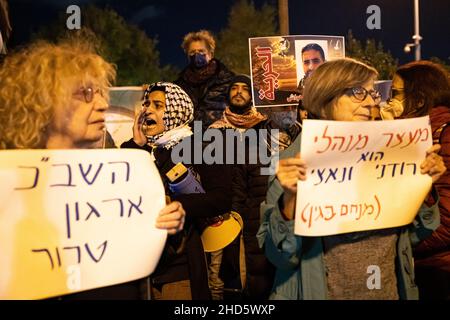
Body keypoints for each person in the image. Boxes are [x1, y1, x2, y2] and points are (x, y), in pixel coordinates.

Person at [0, 40, 186, 299]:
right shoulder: (8, 187)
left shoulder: (119, 177)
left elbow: (141, 263)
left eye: (101, 93)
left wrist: (166, 230)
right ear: (42, 103)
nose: (101, 104)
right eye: (85, 92)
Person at [257, 58, 446, 300]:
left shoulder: (391, 154)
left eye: (372, 93)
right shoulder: (290, 163)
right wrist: (291, 201)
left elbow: (412, 237)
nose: (370, 102)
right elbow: (281, 256)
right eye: (358, 92)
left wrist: (424, 187)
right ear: (326, 98)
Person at [121, 81, 232, 300]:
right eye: (147, 104)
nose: (148, 109)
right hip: (142, 269)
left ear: (175, 110)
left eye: (158, 105)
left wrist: (177, 203)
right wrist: (138, 144)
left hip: (179, 269)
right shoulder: (142, 149)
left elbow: (222, 198)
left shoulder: (201, 146)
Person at [390, 61, 450, 299]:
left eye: (395, 93)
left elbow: (446, 221)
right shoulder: (416, 134)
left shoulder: (442, 135)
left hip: (439, 270)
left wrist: (400, 246)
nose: (388, 101)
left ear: (419, 99)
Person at [175, 30, 235, 130]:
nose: (196, 55)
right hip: (191, 138)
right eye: (192, 52)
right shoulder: (180, 85)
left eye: (201, 51)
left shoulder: (228, 80)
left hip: (220, 137)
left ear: (211, 54)